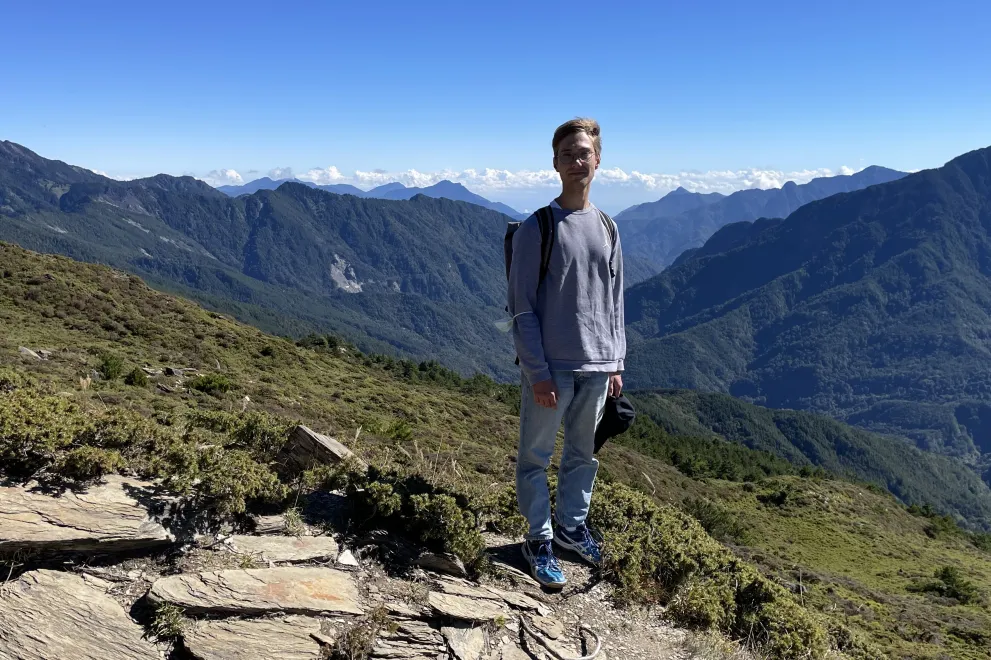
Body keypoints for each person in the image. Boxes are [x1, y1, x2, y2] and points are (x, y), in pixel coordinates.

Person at [506, 118, 625, 587]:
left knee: (582, 455)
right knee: (534, 457)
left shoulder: (609, 228)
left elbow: (616, 301)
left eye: (585, 153)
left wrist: (616, 363)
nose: (578, 161)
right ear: (555, 163)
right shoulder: (538, 227)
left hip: (598, 367)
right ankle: (538, 539)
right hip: (552, 369)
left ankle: (570, 531)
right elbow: (521, 309)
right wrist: (536, 372)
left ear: (599, 159)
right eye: (569, 154)